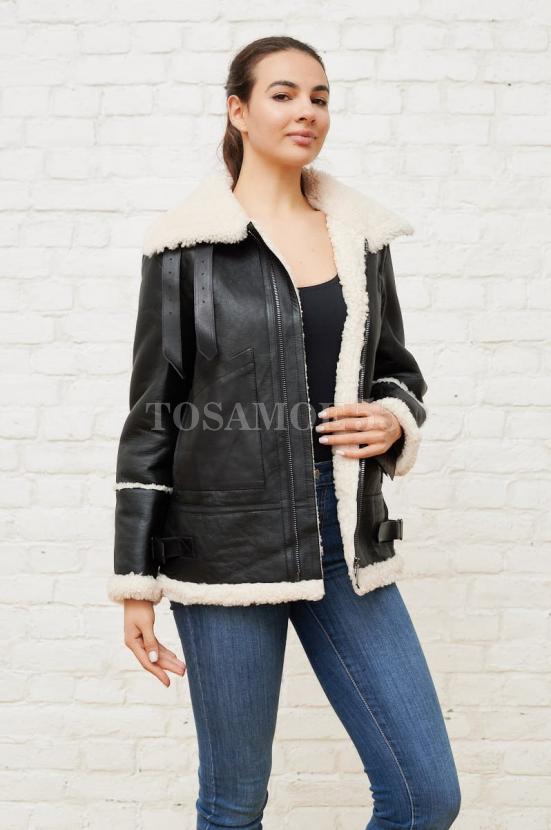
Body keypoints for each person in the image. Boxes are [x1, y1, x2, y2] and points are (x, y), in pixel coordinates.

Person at [108, 35, 461, 830]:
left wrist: (392, 417)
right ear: (237, 110)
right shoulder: (185, 250)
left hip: (343, 539)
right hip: (222, 548)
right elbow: (152, 414)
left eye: (320, 97)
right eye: (283, 94)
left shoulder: (358, 239)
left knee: (424, 797)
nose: (306, 111)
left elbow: (395, 370)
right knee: (234, 806)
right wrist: (135, 579)